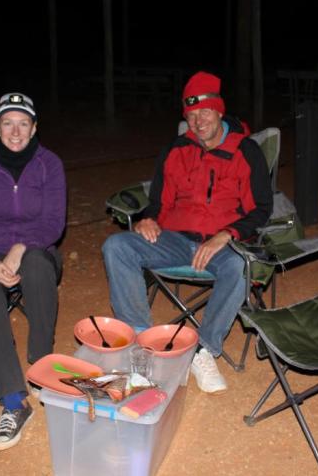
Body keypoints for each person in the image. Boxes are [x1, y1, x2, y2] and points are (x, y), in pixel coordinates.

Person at [102, 71, 272, 394]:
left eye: (204, 111)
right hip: (176, 240)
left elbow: (262, 209)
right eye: (190, 115)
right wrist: (147, 218)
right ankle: (141, 345)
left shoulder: (245, 151)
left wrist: (228, 234)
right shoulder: (177, 150)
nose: (197, 121)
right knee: (117, 246)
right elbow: (158, 202)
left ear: (219, 110)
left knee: (238, 268)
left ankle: (204, 351)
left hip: (222, 245)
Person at [0, 92, 66, 451]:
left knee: (38, 265)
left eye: (23, 123)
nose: (16, 131)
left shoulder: (49, 164)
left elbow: (54, 222)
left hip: (36, 248)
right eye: (8, 123)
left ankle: (42, 367)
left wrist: (21, 247)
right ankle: (12, 402)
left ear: (35, 127)